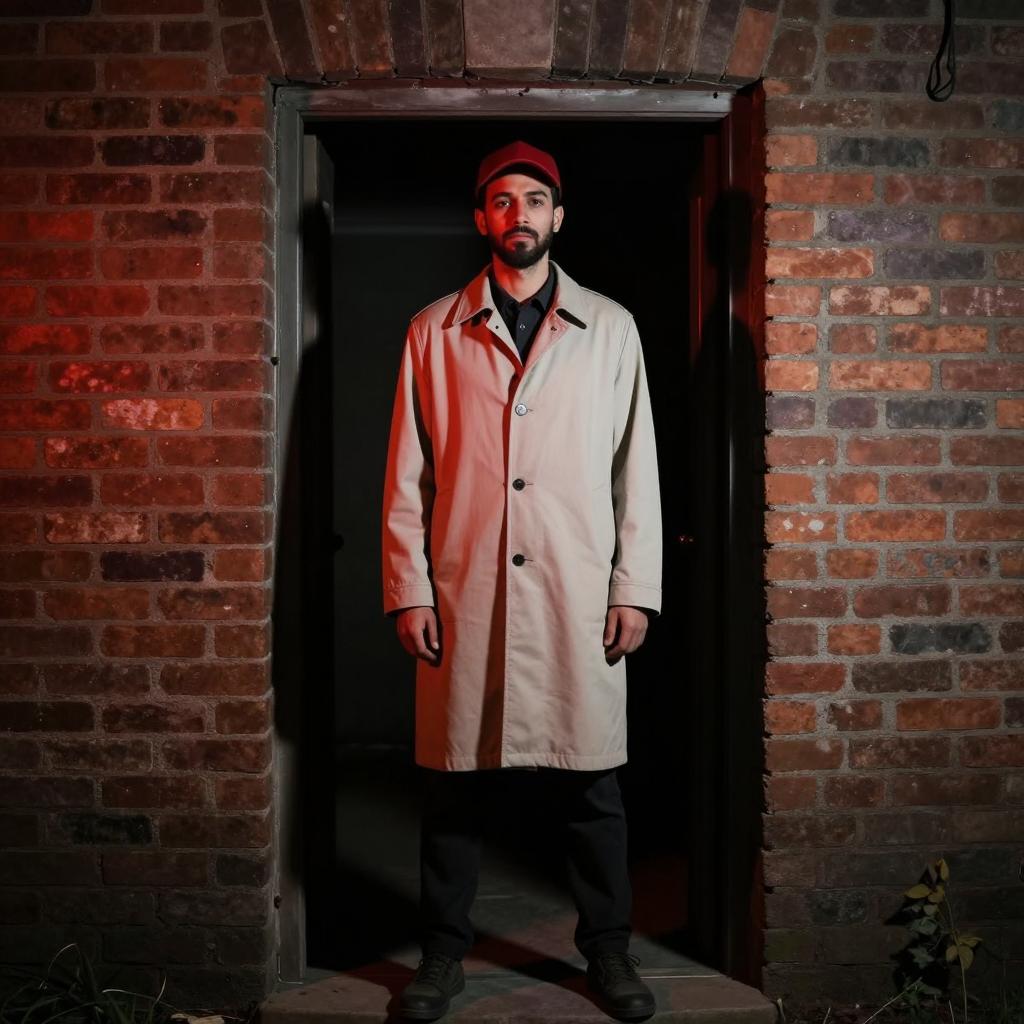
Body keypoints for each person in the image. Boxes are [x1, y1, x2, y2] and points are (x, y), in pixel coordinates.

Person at [381, 140, 663, 1022]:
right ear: (482, 218)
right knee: (453, 784)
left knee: (592, 784)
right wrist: (410, 589)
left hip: (577, 589)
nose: (520, 215)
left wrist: (633, 587)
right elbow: (406, 476)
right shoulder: (433, 330)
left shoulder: (610, 327)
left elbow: (636, 468)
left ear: (558, 217)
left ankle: (608, 951)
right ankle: (441, 955)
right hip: (464, 589)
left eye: (535, 200)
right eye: (502, 201)